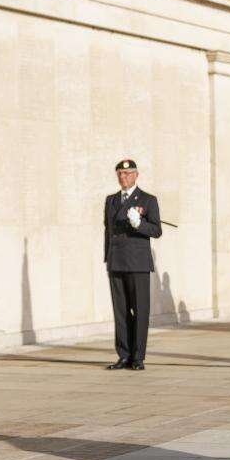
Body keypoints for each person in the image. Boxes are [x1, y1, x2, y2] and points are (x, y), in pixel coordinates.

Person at [103, 159, 162, 371]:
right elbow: (107, 231)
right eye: (119, 173)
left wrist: (139, 224)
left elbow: (156, 230)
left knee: (140, 309)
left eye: (127, 174)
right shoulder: (111, 200)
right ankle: (123, 354)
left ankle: (138, 357)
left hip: (137, 262)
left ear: (136, 175)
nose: (123, 177)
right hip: (117, 261)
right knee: (120, 311)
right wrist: (107, 257)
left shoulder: (147, 200)